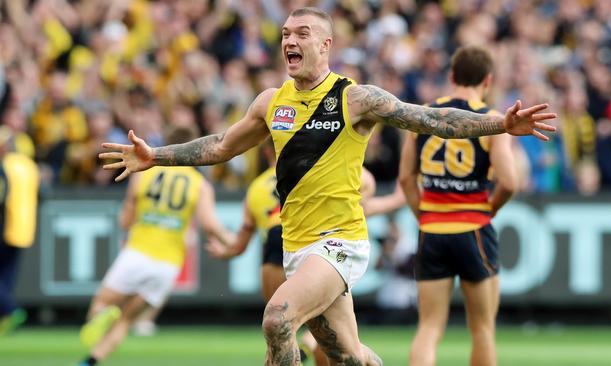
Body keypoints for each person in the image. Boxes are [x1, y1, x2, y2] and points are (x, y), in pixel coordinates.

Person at [99, 7, 555, 365]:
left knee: (278, 319)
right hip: (297, 247)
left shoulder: (356, 98)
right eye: (284, 35)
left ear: (326, 44)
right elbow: (220, 145)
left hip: (340, 242)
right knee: (347, 356)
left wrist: (500, 124)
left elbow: (432, 118)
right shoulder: (270, 103)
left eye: (300, 34)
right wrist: (155, 156)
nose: (289, 41)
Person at [205, 138, 375, 366]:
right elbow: (365, 194)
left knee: (282, 328)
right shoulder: (325, 168)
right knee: (318, 337)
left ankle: (309, 344)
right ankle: (313, 344)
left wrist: (226, 251)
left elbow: (241, 242)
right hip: (321, 244)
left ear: (267, 153)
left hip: (279, 248)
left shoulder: (256, 187)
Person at [399, 45, 518, 366]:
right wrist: (489, 210)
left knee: (428, 328)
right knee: (482, 329)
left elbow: (406, 179)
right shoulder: (493, 121)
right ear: (488, 81)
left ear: (452, 76)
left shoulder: (423, 114)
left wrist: (423, 214)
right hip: (473, 229)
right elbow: (508, 182)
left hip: (433, 230)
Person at [78, 125, 234, 366]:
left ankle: (104, 314)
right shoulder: (199, 184)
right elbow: (210, 225)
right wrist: (235, 242)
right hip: (168, 264)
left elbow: (126, 217)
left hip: (137, 252)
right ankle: (89, 361)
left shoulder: (144, 172)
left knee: (98, 306)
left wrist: (130, 222)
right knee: (127, 322)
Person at [0, 129, 39, 336]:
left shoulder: (5, 166)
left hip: (5, 226)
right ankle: (6, 313)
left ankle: (10, 309)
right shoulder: (29, 167)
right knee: (7, 276)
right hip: (24, 228)